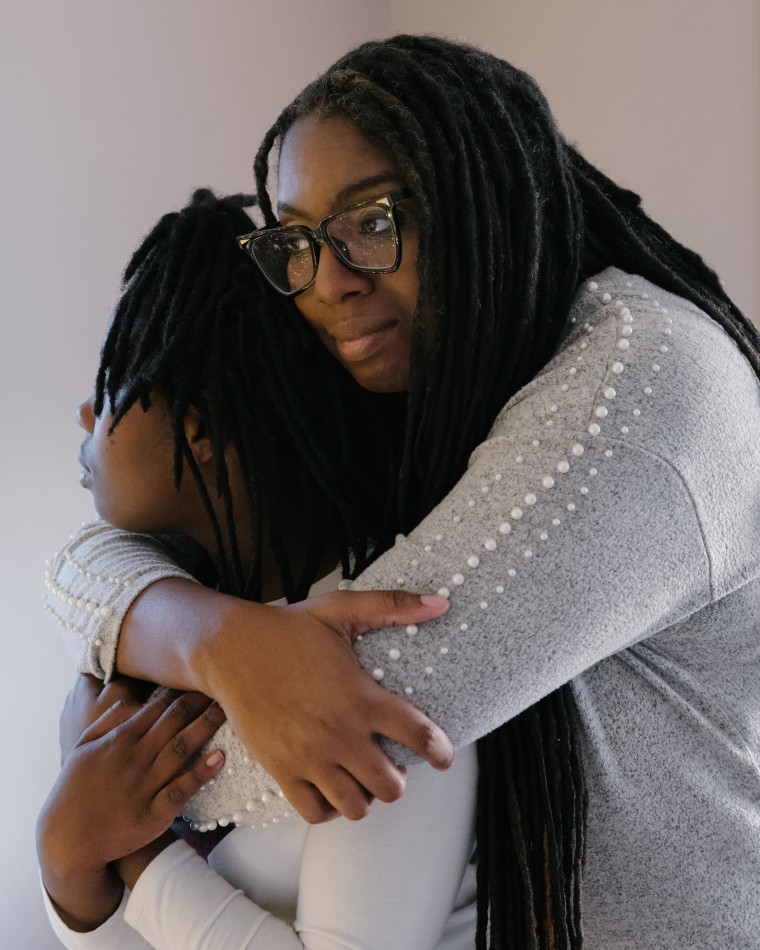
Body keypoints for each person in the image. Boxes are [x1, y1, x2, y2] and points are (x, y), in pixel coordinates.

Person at [45, 35, 760, 950]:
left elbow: (348, 727)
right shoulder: (453, 373)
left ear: (485, 194)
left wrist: (96, 795)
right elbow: (110, 547)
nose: (331, 282)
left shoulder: (637, 395)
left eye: (375, 220)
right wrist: (206, 635)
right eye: (299, 241)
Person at [39, 189, 475, 948]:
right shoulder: (167, 627)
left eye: (112, 387)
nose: (86, 414)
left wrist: (117, 850)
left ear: (199, 427)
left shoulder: (380, 655)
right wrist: (69, 874)